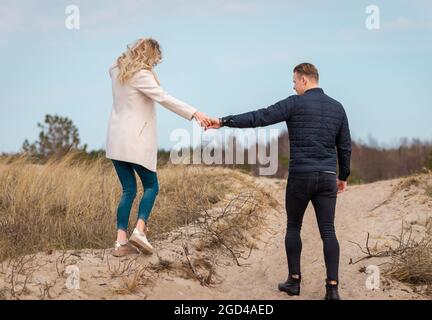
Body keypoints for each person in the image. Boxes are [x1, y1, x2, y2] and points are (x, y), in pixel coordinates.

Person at [206, 63, 352, 300]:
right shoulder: (338, 108)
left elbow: (259, 117)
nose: (293, 87)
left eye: (294, 82)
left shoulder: (294, 103)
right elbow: (345, 146)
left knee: (294, 226)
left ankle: (294, 282)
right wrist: (343, 176)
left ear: (304, 80)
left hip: (300, 176)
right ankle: (332, 288)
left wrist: (223, 121)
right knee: (328, 231)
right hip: (326, 177)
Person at [105, 38, 211, 257]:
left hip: (115, 140)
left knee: (128, 190)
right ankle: (140, 231)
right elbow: (164, 98)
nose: (155, 65)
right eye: (155, 60)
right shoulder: (141, 75)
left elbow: (113, 67)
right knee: (152, 186)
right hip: (135, 141)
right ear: (149, 55)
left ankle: (120, 242)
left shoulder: (116, 71)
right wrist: (194, 113)